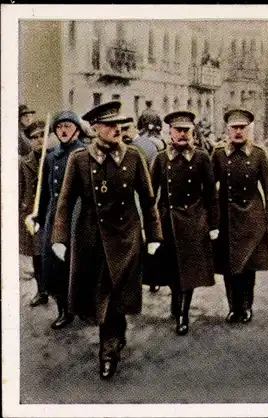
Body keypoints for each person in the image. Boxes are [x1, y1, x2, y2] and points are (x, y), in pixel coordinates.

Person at [50, 101, 163, 379]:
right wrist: (60, 238)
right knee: (104, 295)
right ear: (96, 128)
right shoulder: (80, 159)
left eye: (120, 124)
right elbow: (65, 202)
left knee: (117, 295)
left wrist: (154, 235)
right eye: (111, 125)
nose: (118, 129)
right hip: (93, 239)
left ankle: (111, 344)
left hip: (127, 238)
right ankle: (110, 346)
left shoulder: (134, 157)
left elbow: (148, 201)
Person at [148, 111, 219, 335]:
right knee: (171, 268)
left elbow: (210, 194)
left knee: (188, 271)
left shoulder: (201, 157)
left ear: (192, 132)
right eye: (178, 130)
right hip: (167, 220)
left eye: (186, 130)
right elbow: (150, 194)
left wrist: (213, 224)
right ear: (170, 132)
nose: (182, 134)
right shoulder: (160, 159)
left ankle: (183, 314)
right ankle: (176, 304)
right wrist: (150, 225)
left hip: (193, 221)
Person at [211, 108, 268, 323]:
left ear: (248, 130)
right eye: (234, 128)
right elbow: (210, 186)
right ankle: (233, 307)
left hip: (252, 216)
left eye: (242, 128)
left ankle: (247, 306)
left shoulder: (258, 153)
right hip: (227, 217)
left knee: (249, 266)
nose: (238, 132)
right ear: (228, 130)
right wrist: (211, 216)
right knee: (229, 266)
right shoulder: (219, 154)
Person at [26, 111, 86, 328]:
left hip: (80, 217)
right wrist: (39, 216)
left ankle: (82, 306)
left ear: (77, 130)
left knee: (79, 265)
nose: (63, 130)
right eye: (59, 127)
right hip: (55, 218)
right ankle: (64, 310)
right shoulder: (51, 157)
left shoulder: (85, 153)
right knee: (55, 267)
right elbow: (45, 192)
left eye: (68, 126)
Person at [19, 120, 46, 306]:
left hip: (50, 213)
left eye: (42, 135)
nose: (39, 140)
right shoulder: (24, 162)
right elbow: (20, 188)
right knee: (37, 256)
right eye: (34, 137)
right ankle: (42, 291)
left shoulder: (53, 158)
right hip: (32, 215)